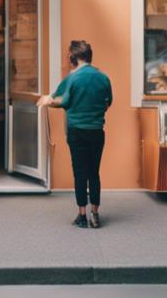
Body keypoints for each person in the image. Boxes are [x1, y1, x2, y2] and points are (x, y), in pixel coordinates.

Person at [37, 40, 112, 229]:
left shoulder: (73, 78)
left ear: (73, 57)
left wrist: (47, 101)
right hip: (97, 131)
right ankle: (95, 213)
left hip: (77, 131)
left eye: (68, 55)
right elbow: (108, 102)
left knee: (80, 173)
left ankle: (82, 215)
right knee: (94, 173)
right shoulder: (103, 77)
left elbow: (62, 101)